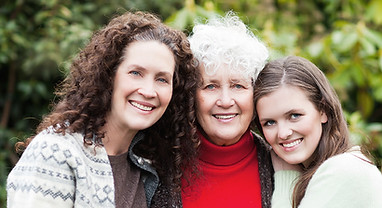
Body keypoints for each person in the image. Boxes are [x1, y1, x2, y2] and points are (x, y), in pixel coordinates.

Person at [6, 11, 199, 208]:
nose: (149, 91)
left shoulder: (151, 165)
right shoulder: (54, 153)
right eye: (135, 73)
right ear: (108, 76)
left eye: (161, 79)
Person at [253, 55, 382, 208]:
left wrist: (286, 176)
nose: (282, 133)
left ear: (323, 110)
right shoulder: (326, 171)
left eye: (294, 116)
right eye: (270, 122)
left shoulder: (345, 170)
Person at [179, 12, 274, 208]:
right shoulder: (157, 163)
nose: (225, 101)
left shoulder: (282, 166)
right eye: (210, 86)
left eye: (238, 86)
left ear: (255, 94)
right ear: (192, 95)